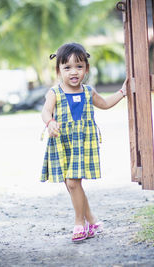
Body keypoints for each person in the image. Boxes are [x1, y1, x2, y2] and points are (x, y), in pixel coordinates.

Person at [40, 43, 127, 242]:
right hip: (62, 143)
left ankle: (80, 223)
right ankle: (92, 219)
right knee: (72, 185)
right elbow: (45, 111)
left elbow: (104, 104)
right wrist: (50, 122)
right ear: (59, 70)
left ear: (86, 69)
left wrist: (122, 92)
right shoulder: (55, 93)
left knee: (73, 182)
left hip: (83, 144)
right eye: (67, 67)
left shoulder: (88, 92)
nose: (74, 72)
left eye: (79, 67)